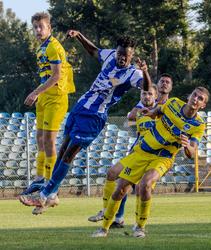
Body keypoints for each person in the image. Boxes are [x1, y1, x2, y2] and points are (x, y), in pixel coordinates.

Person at [19, 30, 152, 214]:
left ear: (132, 55)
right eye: (120, 53)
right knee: (63, 149)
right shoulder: (110, 56)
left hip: (94, 116)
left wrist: (145, 72)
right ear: (116, 51)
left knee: (69, 154)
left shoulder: (133, 73)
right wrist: (79, 35)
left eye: (126, 55)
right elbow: (94, 51)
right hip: (80, 107)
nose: (122, 58)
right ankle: (52, 195)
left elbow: (146, 88)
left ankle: (44, 194)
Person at [91, 86, 209, 238]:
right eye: (195, 95)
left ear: (203, 105)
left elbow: (192, 153)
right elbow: (159, 110)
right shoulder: (173, 103)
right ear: (189, 96)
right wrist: (151, 113)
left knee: (145, 185)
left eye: (200, 99)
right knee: (120, 189)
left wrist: (187, 146)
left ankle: (140, 227)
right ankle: (104, 229)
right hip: (142, 151)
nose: (196, 99)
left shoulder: (198, 125)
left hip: (163, 157)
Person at [88, 74, 173, 225]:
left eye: (167, 82)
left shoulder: (171, 107)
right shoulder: (145, 104)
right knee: (119, 179)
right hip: (138, 150)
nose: (164, 84)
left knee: (141, 187)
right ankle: (114, 215)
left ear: (170, 88)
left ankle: (137, 223)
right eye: (162, 81)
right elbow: (131, 118)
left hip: (157, 155)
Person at [21, 12, 75, 196]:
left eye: (40, 26)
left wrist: (35, 92)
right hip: (45, 97)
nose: (37, 30)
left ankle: (50, 184)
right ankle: (39, 179)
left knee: (50, 140)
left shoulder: (53, 47)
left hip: (56, 98)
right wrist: (39, 93)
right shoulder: (40, 49)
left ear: (49, 28)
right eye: (35, 27)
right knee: (40, 139)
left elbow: (57, 75)